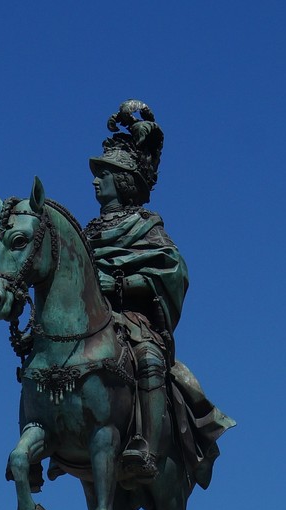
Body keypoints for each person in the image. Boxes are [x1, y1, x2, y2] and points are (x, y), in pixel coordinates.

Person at [85, 101, 195, 483]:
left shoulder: (146, 227)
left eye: (105, 174)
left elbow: (170, 274)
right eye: (97, 174)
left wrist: (117, 284)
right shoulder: (85, 233)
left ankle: (146, 445)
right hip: (93, 322)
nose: (96, 180)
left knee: (147, 357)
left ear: (125, 180)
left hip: (135, 321)